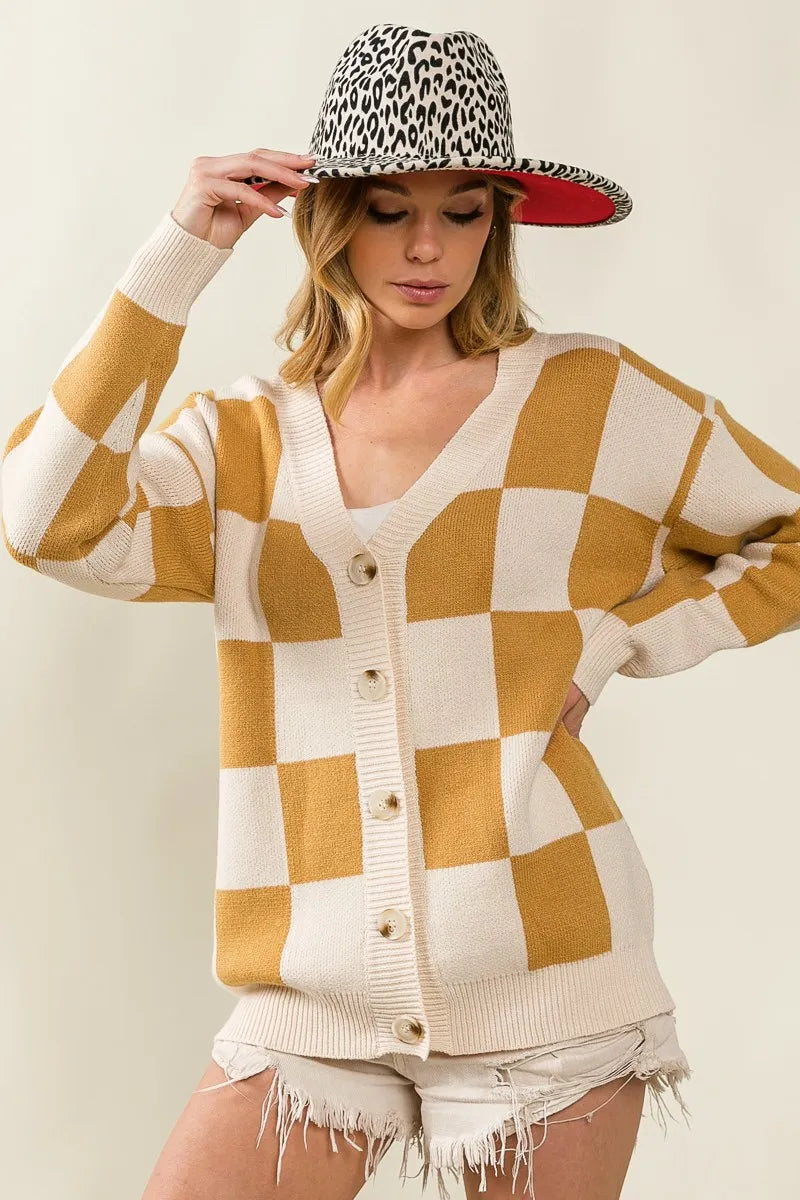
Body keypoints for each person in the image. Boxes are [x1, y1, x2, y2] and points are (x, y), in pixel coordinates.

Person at [4, 23, 800, 1200]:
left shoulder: (592, 402)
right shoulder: (240, 443)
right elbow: (42, 520)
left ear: (497, 223)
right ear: (330, 219)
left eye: (463, 211)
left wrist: (616, 640)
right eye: (388, 210)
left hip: (546, 980)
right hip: (311, 994)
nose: (428, 248)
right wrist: (177, 258)